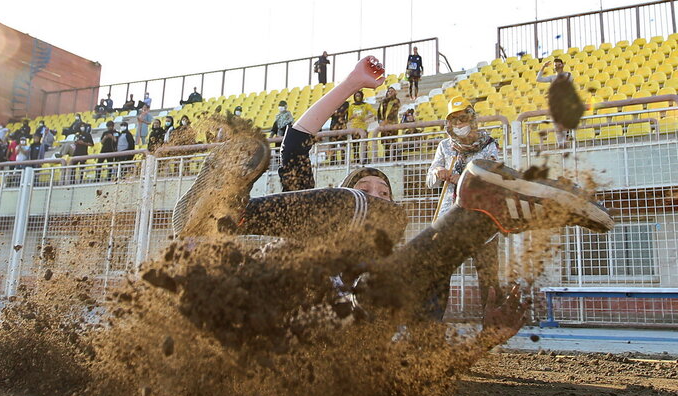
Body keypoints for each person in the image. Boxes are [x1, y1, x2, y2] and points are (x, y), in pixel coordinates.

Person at [170, 56, 614, 339]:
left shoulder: (388, 267)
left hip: (343, 343)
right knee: (347, 214)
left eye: (385, 193)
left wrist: (487, 340)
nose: (379, 198)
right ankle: (222, 216)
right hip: (276, 299)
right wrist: (350, 84)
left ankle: (477, 209)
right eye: (368, 188)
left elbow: (426, 358)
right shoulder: (317, 214)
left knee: (417, 275)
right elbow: (296, 143)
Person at [425, 96, 502, 319]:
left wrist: (459, 178)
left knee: (488, 276)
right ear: (449, 124)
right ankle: (432, 325)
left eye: (463, 119)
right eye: (455, 121)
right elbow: (430, 180)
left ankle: (493, 325)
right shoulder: (444, 147)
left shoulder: (489, 146)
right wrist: (437, 174)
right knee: (439, 272)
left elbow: (490, 182)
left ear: (472, 119)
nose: (460, 125)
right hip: (450, 218)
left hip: (482, 220)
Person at [537, 58, 573, 147]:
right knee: (557, 126)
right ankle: (560, 144)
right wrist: (543, 67)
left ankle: (565, 142)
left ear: (562, 65)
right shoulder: (552, 77)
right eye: (555, 65)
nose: (557, 67)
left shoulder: (568, 75)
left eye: (558, 64)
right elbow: (538, 79)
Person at [347, 90, 376, 162]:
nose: (358, 97)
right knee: (355, 145)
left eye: (359, 96)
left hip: (363, 127)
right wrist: (352, 116)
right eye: (356, 96)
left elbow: (374, 111)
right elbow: (348, 118)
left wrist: (367, 117)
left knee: (364, 144)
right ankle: (356, 159)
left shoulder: (365, 105)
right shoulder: (352, 106)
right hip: (354, 127)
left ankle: (364, 159)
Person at [377, 86, 401, 160]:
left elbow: (394, 112)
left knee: (392, 142)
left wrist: (387, 121)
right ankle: (387, 159)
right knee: (385, 143)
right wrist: (380, 121)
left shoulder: (396, 101)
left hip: (392, 124)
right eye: (388, 91)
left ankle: (394, 159)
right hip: (383, 126)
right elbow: (379, 112)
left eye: (392, 91)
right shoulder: (383, 101)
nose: (390, 92)